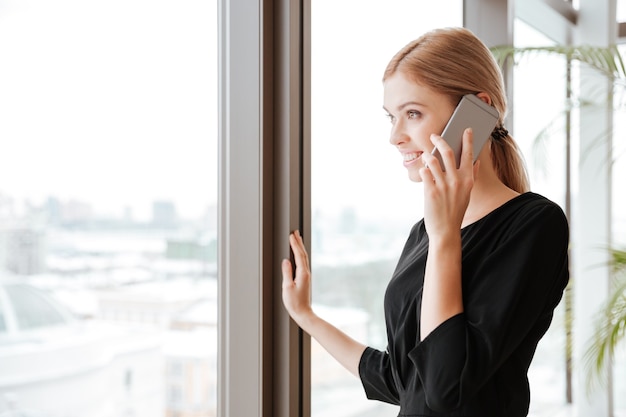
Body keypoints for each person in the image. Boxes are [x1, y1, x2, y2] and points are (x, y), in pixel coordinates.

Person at [281, 27, 569, 417]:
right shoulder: (426, 233)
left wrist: (445, 234)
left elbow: (445, 389)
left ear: (478, 110)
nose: (395, 137)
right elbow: (401, 381)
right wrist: (306, 316)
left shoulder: (535, 225)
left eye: (412, 113)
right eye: (391, 117)